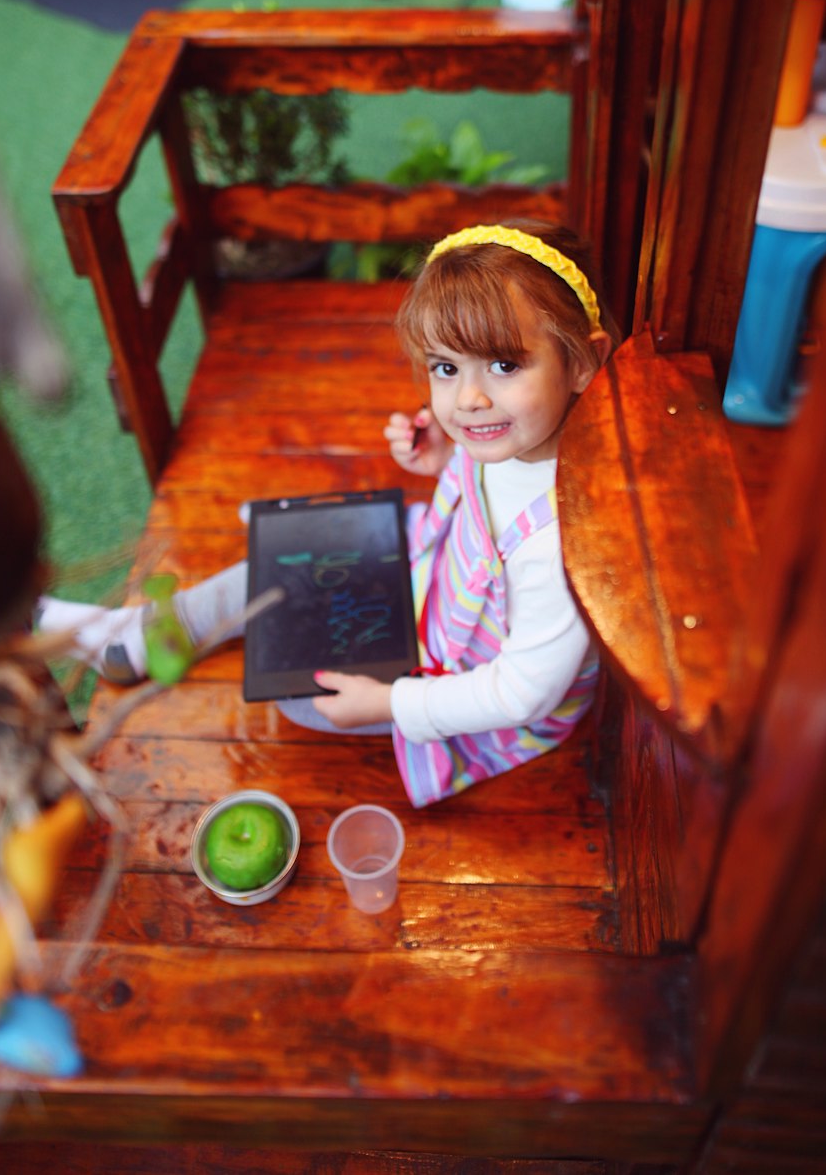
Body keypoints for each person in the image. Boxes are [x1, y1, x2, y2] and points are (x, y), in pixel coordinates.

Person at [38, 221, 615, 807]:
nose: (469, 400)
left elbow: (522, 694)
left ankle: (161, 635)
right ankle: (145, 634)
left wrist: (391, 705)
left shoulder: (562, 544)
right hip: (432, 583)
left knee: (300, 698)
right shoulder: (513, 436)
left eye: (504, 366)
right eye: (446, 368)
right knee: (290, 558)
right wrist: (444, 458)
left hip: (461, 676)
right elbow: (494, 487)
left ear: (582, 363)